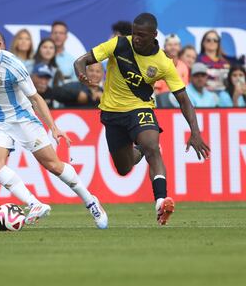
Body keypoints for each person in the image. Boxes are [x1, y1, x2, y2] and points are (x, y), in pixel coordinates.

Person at [0, 26, 108, 229]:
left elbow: (35, 98)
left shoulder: (13, 66)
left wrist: (53, 127)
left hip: (22, 118)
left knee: (53, 165)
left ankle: (91, 201)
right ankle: (35, 204)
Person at [74, 13, 210, 225]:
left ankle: (161, 201)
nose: (136, 38)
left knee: (152, 147)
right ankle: (138, 152)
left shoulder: (164, 63)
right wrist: (82, 75)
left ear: (154, 35)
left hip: (140, 109)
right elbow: (81, 60)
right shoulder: (118, 44)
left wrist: (195, 132)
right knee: (124, 168)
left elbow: (183, 99)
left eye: (142, 35)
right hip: (111, 113)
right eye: (134, 33)